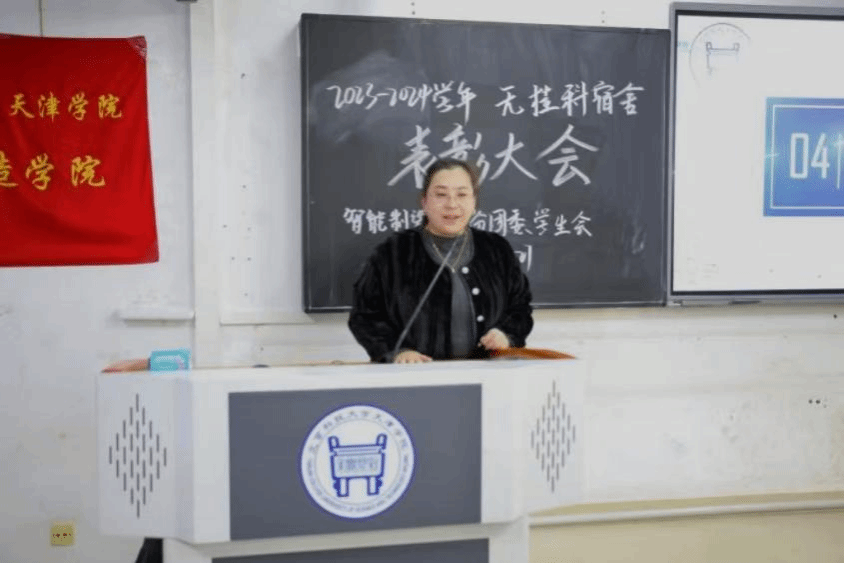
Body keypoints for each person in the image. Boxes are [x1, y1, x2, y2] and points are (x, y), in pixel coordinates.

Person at [348, 158, 533, 363]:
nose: (452, 204)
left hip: (490, 374)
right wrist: (397, 352)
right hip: (416, 375)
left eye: (462, 194)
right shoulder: (392, 253)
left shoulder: (497, 249)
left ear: (474, 202)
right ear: (424, 202)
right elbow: (365, 316)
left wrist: (506, 335)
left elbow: (520, 307)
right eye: (441, 195)